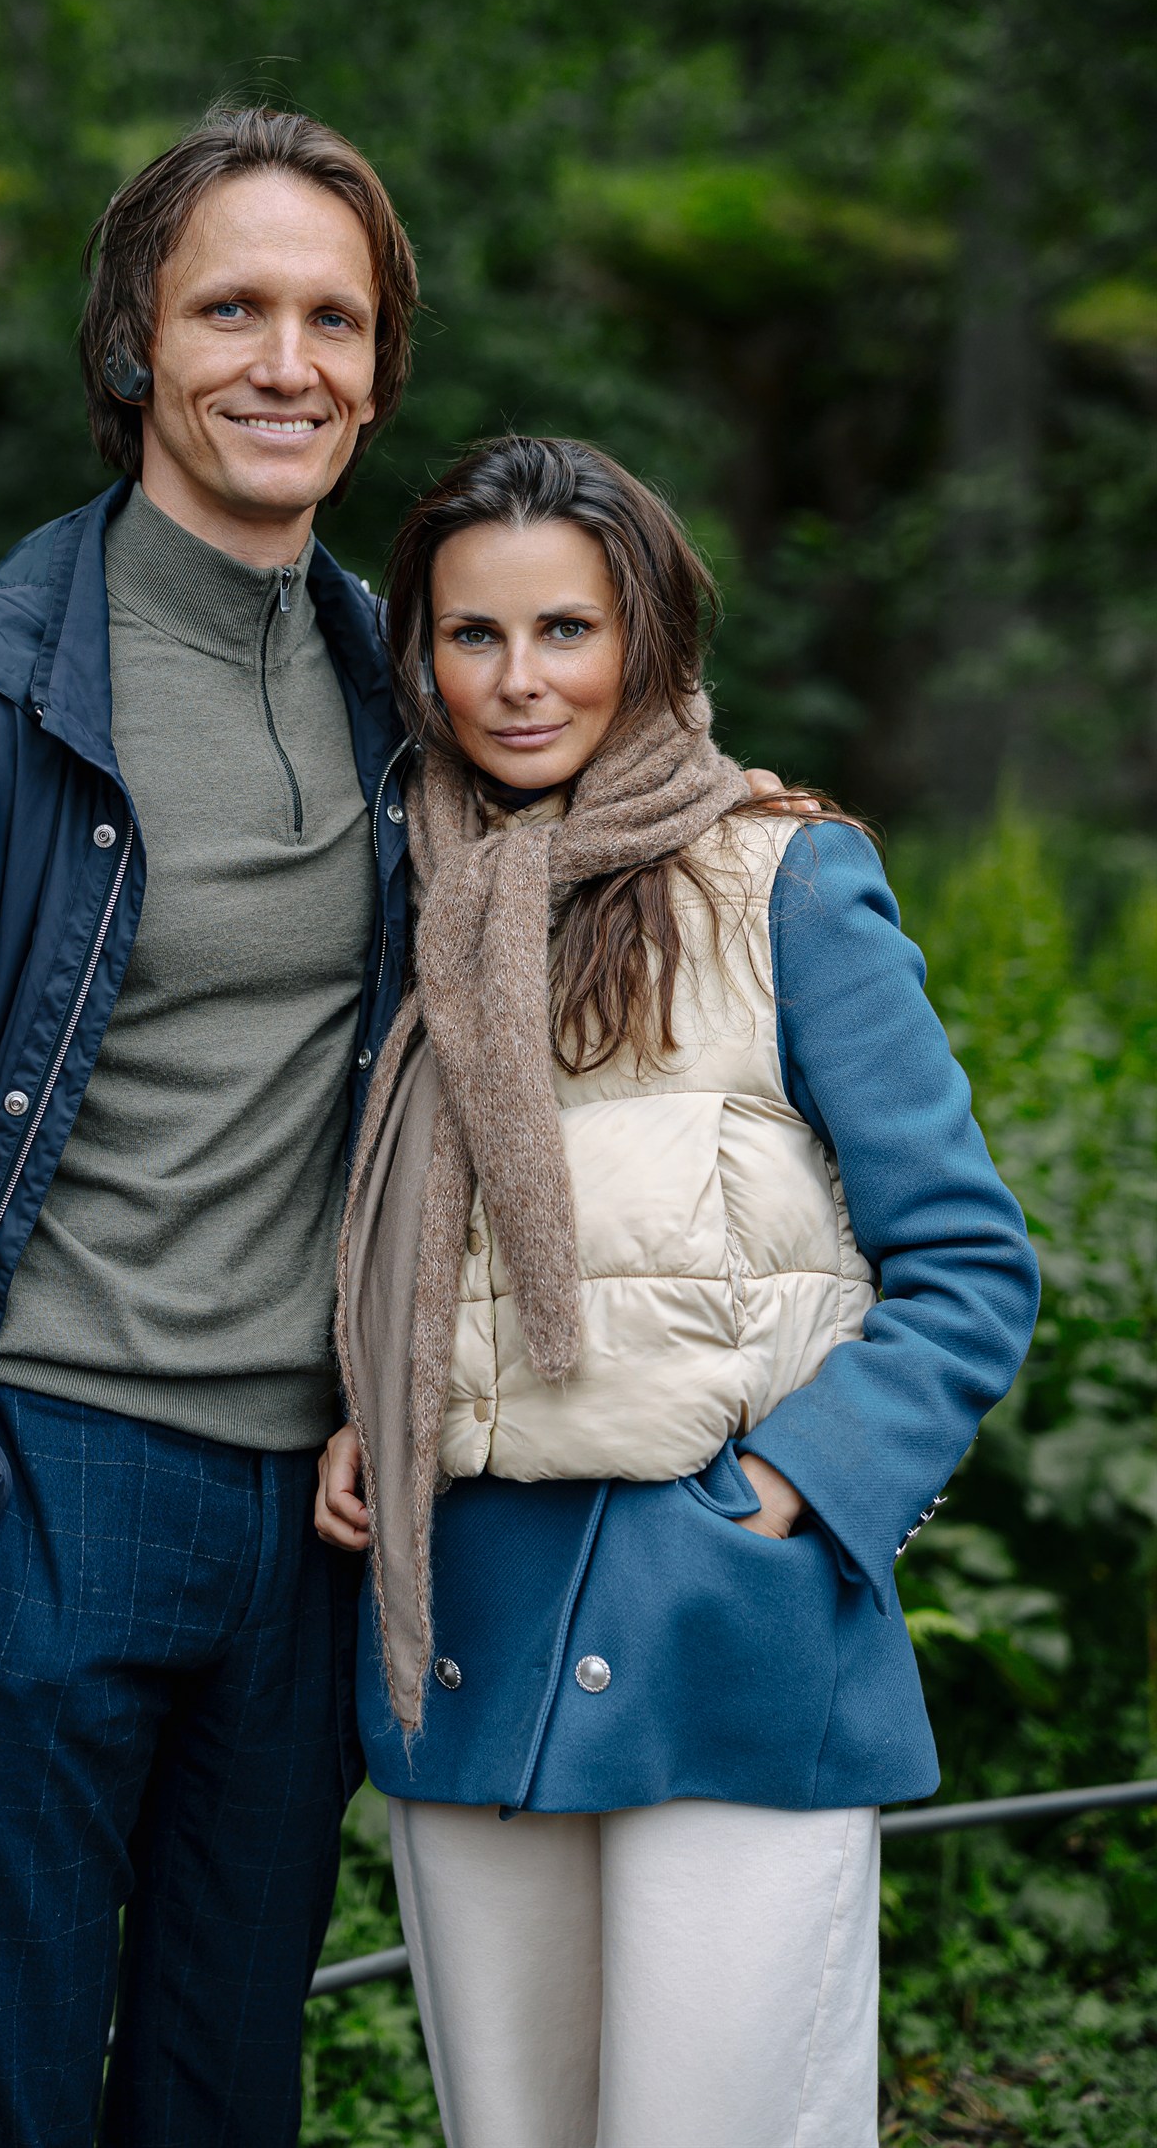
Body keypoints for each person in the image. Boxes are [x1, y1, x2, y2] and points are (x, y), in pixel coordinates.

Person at [0, 108, 791, 2146]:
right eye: (231, 309)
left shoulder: (399, 694)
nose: (285, 362)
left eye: (335, 318)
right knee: (13, 2092)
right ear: (135, 337)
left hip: (316, 1515)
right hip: (42, 1480)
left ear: (380, 370)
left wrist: (758, 821)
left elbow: (596, 833)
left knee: (230, 2090)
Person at [316, 434, 1040, 2148]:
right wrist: (377, 1408)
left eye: (565, 629)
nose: (518, 678)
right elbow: (405, 1243)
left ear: (647, 637)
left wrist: (783, 1495)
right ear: (419, 655)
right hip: (472, 1633)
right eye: (472, 634)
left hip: (721, 1627)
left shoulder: (789, 879)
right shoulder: (410, 904)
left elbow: (969, 1264)